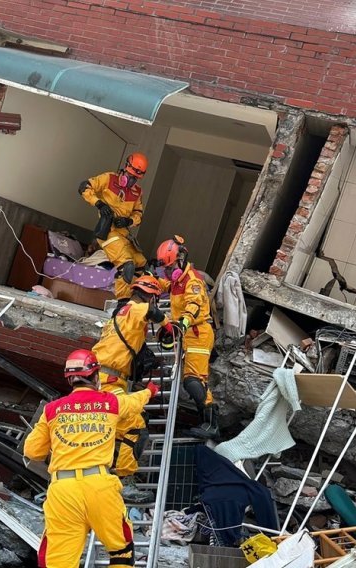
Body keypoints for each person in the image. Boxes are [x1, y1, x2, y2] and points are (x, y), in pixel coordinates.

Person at [24, 349, 160, 568]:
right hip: (100, 487)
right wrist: (149, 391)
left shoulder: (52, 410)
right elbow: (134, 402)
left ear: (70, 380)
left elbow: (32, 452)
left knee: (57, 561)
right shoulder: (110, 403)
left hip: (63, 490)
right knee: (121, 551)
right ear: (96, 377)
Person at [93, 274, 174, 502]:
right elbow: (153, 314)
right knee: (135, 425)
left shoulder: (121, 313)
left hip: (104, 379)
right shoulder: (137, 308)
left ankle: (108, 475)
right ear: (150, 298)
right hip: (108, 381)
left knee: (117, 428)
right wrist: (169, 327)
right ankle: (125, 482)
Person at [154, 236, 218, 439]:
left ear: (181, 259)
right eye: (166, 268)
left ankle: (211, 424)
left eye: (170, 266)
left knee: (193, 381)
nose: (168, 271)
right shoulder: (177, 281)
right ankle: (206, 422)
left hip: (198, 333)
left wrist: (183, 323)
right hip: (189, 334)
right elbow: (164, 285)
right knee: (193, 380)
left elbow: (194, 305)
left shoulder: (193, 281)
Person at [80, 152, 149, 301]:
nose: (131, 181)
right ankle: (122, 302)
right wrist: (99, 203)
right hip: (108, 232)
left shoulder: (137, 193)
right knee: (127, 265)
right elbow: (84, 187)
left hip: (124, 234)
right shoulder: (109, 179)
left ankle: (135, 300)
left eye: (135, 178)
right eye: (130, 176)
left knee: (140, 264)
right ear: (125, 168)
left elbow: (138, 214)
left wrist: (128, 221)